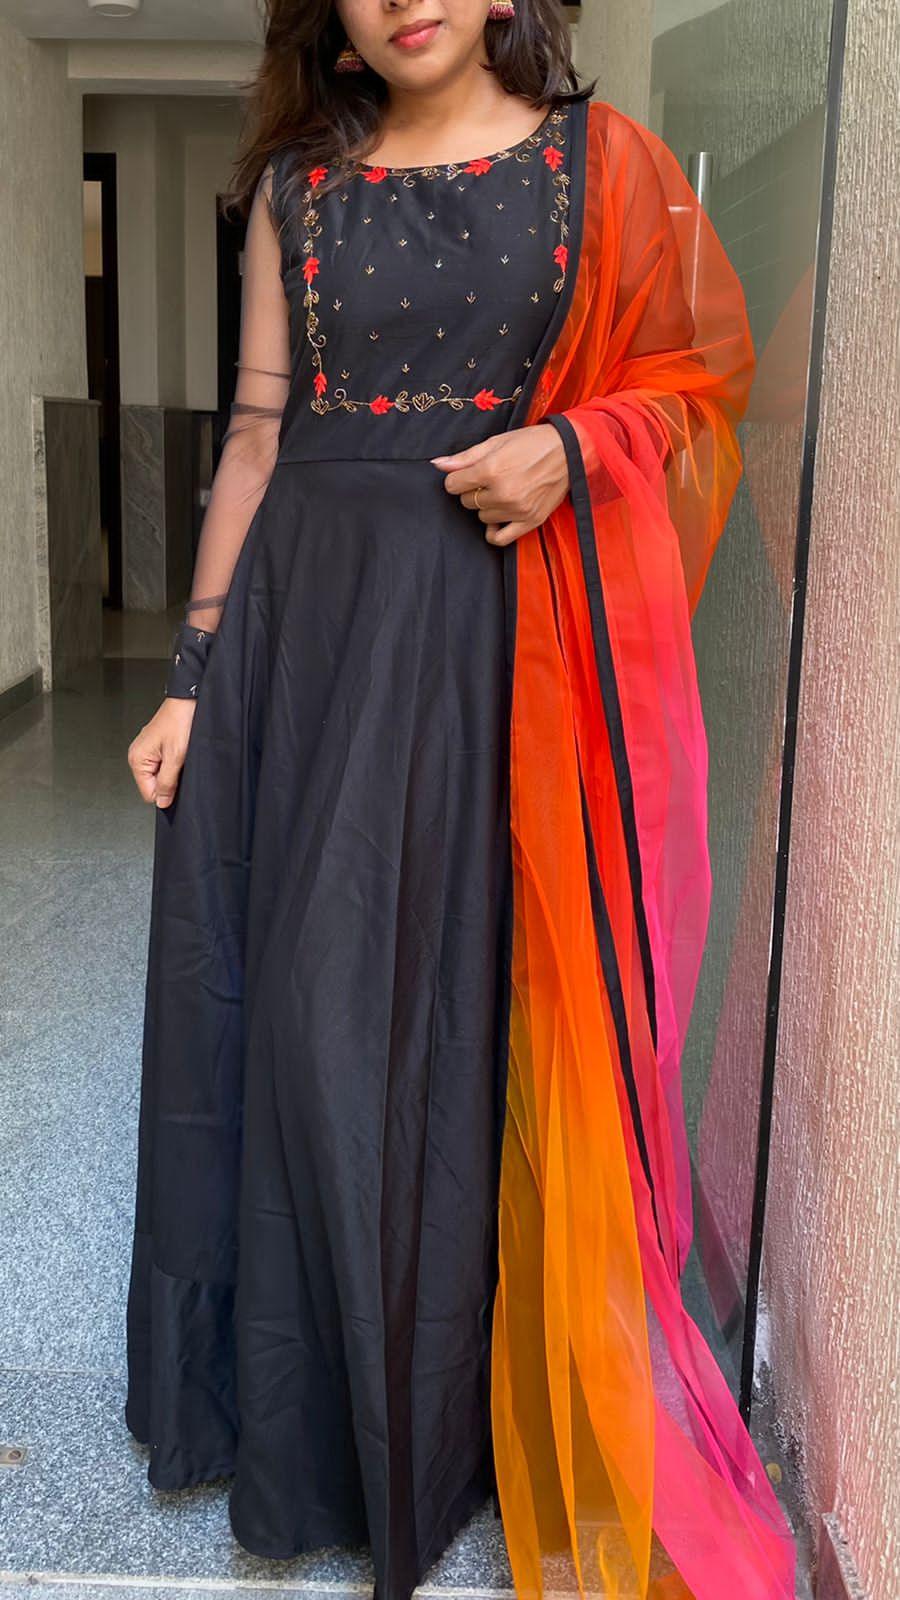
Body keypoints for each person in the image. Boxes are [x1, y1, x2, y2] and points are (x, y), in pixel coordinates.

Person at [124, 3, 795, 1598]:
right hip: (310, 637)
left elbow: (705, 379)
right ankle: (311, 1432)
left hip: (511, 643)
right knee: (305, 1007)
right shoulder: (297, 188)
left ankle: (463, 1424)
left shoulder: (603, 167)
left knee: (472, 1018)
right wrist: (193, 671)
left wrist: (572, 443)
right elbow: (257, 436)